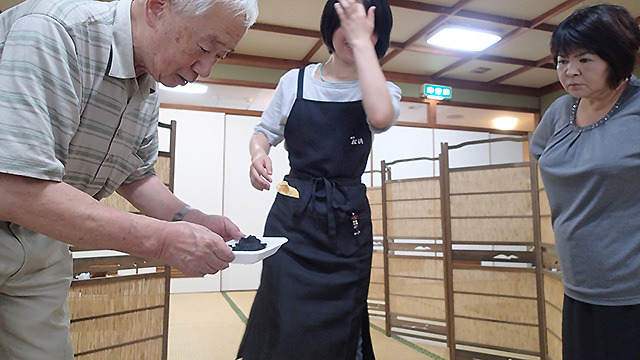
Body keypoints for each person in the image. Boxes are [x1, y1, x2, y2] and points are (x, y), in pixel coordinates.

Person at [0, 0, 258, 358]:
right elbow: (14, 187)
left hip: (43, 238)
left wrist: (192, 219)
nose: (207, 68)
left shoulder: (148, 81)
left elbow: (136, 175)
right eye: (204, 47)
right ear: (157, 7)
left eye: (221, 56)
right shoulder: (59, 31)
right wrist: (165, 242)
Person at [238, 0, 400, 359]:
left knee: (343, 322)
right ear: (329, 26)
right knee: (282, 316)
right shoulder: (294, 82)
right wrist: (257, 154)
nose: (356, 35)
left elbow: (381, 117)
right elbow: (263, 132)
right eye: (348, 23)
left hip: (347, 223)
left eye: (368, 29)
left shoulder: (379, 88)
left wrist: (362, 46)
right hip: (293, 219)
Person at [530, 4, 640, 360]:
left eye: (585, 59)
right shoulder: (561, 111)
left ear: (617, 58)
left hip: (633, 289)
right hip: (579, 285)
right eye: (562, 60)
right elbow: (541, 154)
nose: (570, 71)